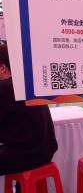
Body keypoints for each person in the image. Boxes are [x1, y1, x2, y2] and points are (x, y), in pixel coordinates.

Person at [0, 44, 58, 175]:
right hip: (45, 151)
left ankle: (20, 188)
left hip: (26, 155)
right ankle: (21, 189)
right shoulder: (27, 84)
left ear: (2, 68)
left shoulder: (4, 87)